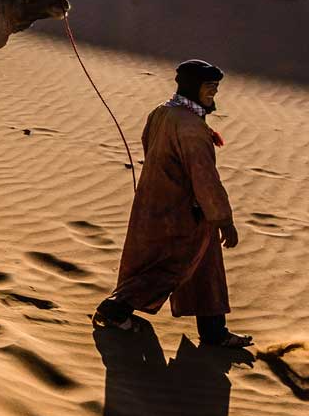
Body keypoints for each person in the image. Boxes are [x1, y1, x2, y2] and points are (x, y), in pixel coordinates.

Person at [93, 59, 252, 349]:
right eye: (209, 87)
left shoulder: (163, 112)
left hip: (160, 203)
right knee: (169, 266)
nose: (214, 92)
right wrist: (224, 219)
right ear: (192, 87)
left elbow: (149, 145)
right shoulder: (190, 127)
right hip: (182, 213)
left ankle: (214, 332)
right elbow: (204, 177)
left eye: (216, 87)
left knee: (205, 266)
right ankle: (115, 309)